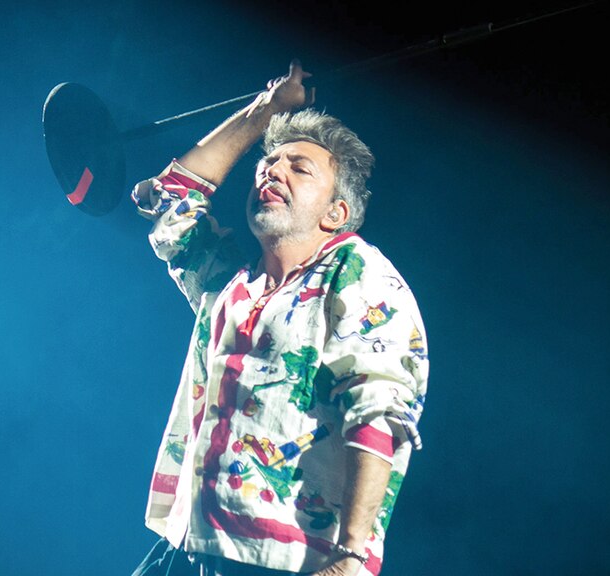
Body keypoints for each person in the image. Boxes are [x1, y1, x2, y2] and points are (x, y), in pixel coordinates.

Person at [130, 60, 429, 576]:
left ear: (335, 213)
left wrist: (353, 555)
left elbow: (379, 411)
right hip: (190, 544)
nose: (272, 170)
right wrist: (267, 109)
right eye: (268, 164)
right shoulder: (231, 283)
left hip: (284, 559)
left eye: (299, 167)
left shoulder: (358, 272)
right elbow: (175, 198)